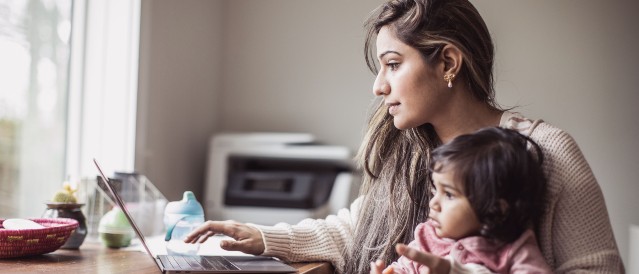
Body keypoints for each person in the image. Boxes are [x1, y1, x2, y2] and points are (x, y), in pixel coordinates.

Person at [185, 0, 624, 273]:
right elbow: (354, 230)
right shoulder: (409, 150)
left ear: (448, 62)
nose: (379, 87)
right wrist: (263, 238)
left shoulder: (547, 152)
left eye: (393, 64)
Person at [370, 127, 552, 274]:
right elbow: (404, 268)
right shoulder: (427, 236)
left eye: (449, 194)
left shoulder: (513, 249)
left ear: (495, 209)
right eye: (435, 191)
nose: (433, 203)